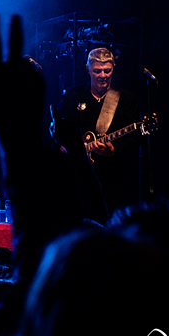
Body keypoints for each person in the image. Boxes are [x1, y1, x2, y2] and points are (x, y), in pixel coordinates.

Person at [51, 47, 141, 215]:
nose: (102, 76)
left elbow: (136, 136)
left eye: (107, 71)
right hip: (78, 177)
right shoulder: (73, 95)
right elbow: (56, 127)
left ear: (114, 68)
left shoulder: (126, 98)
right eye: (97, 71)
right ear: (88, 69)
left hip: (113, 179)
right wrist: (61, 147)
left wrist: (114, 149)